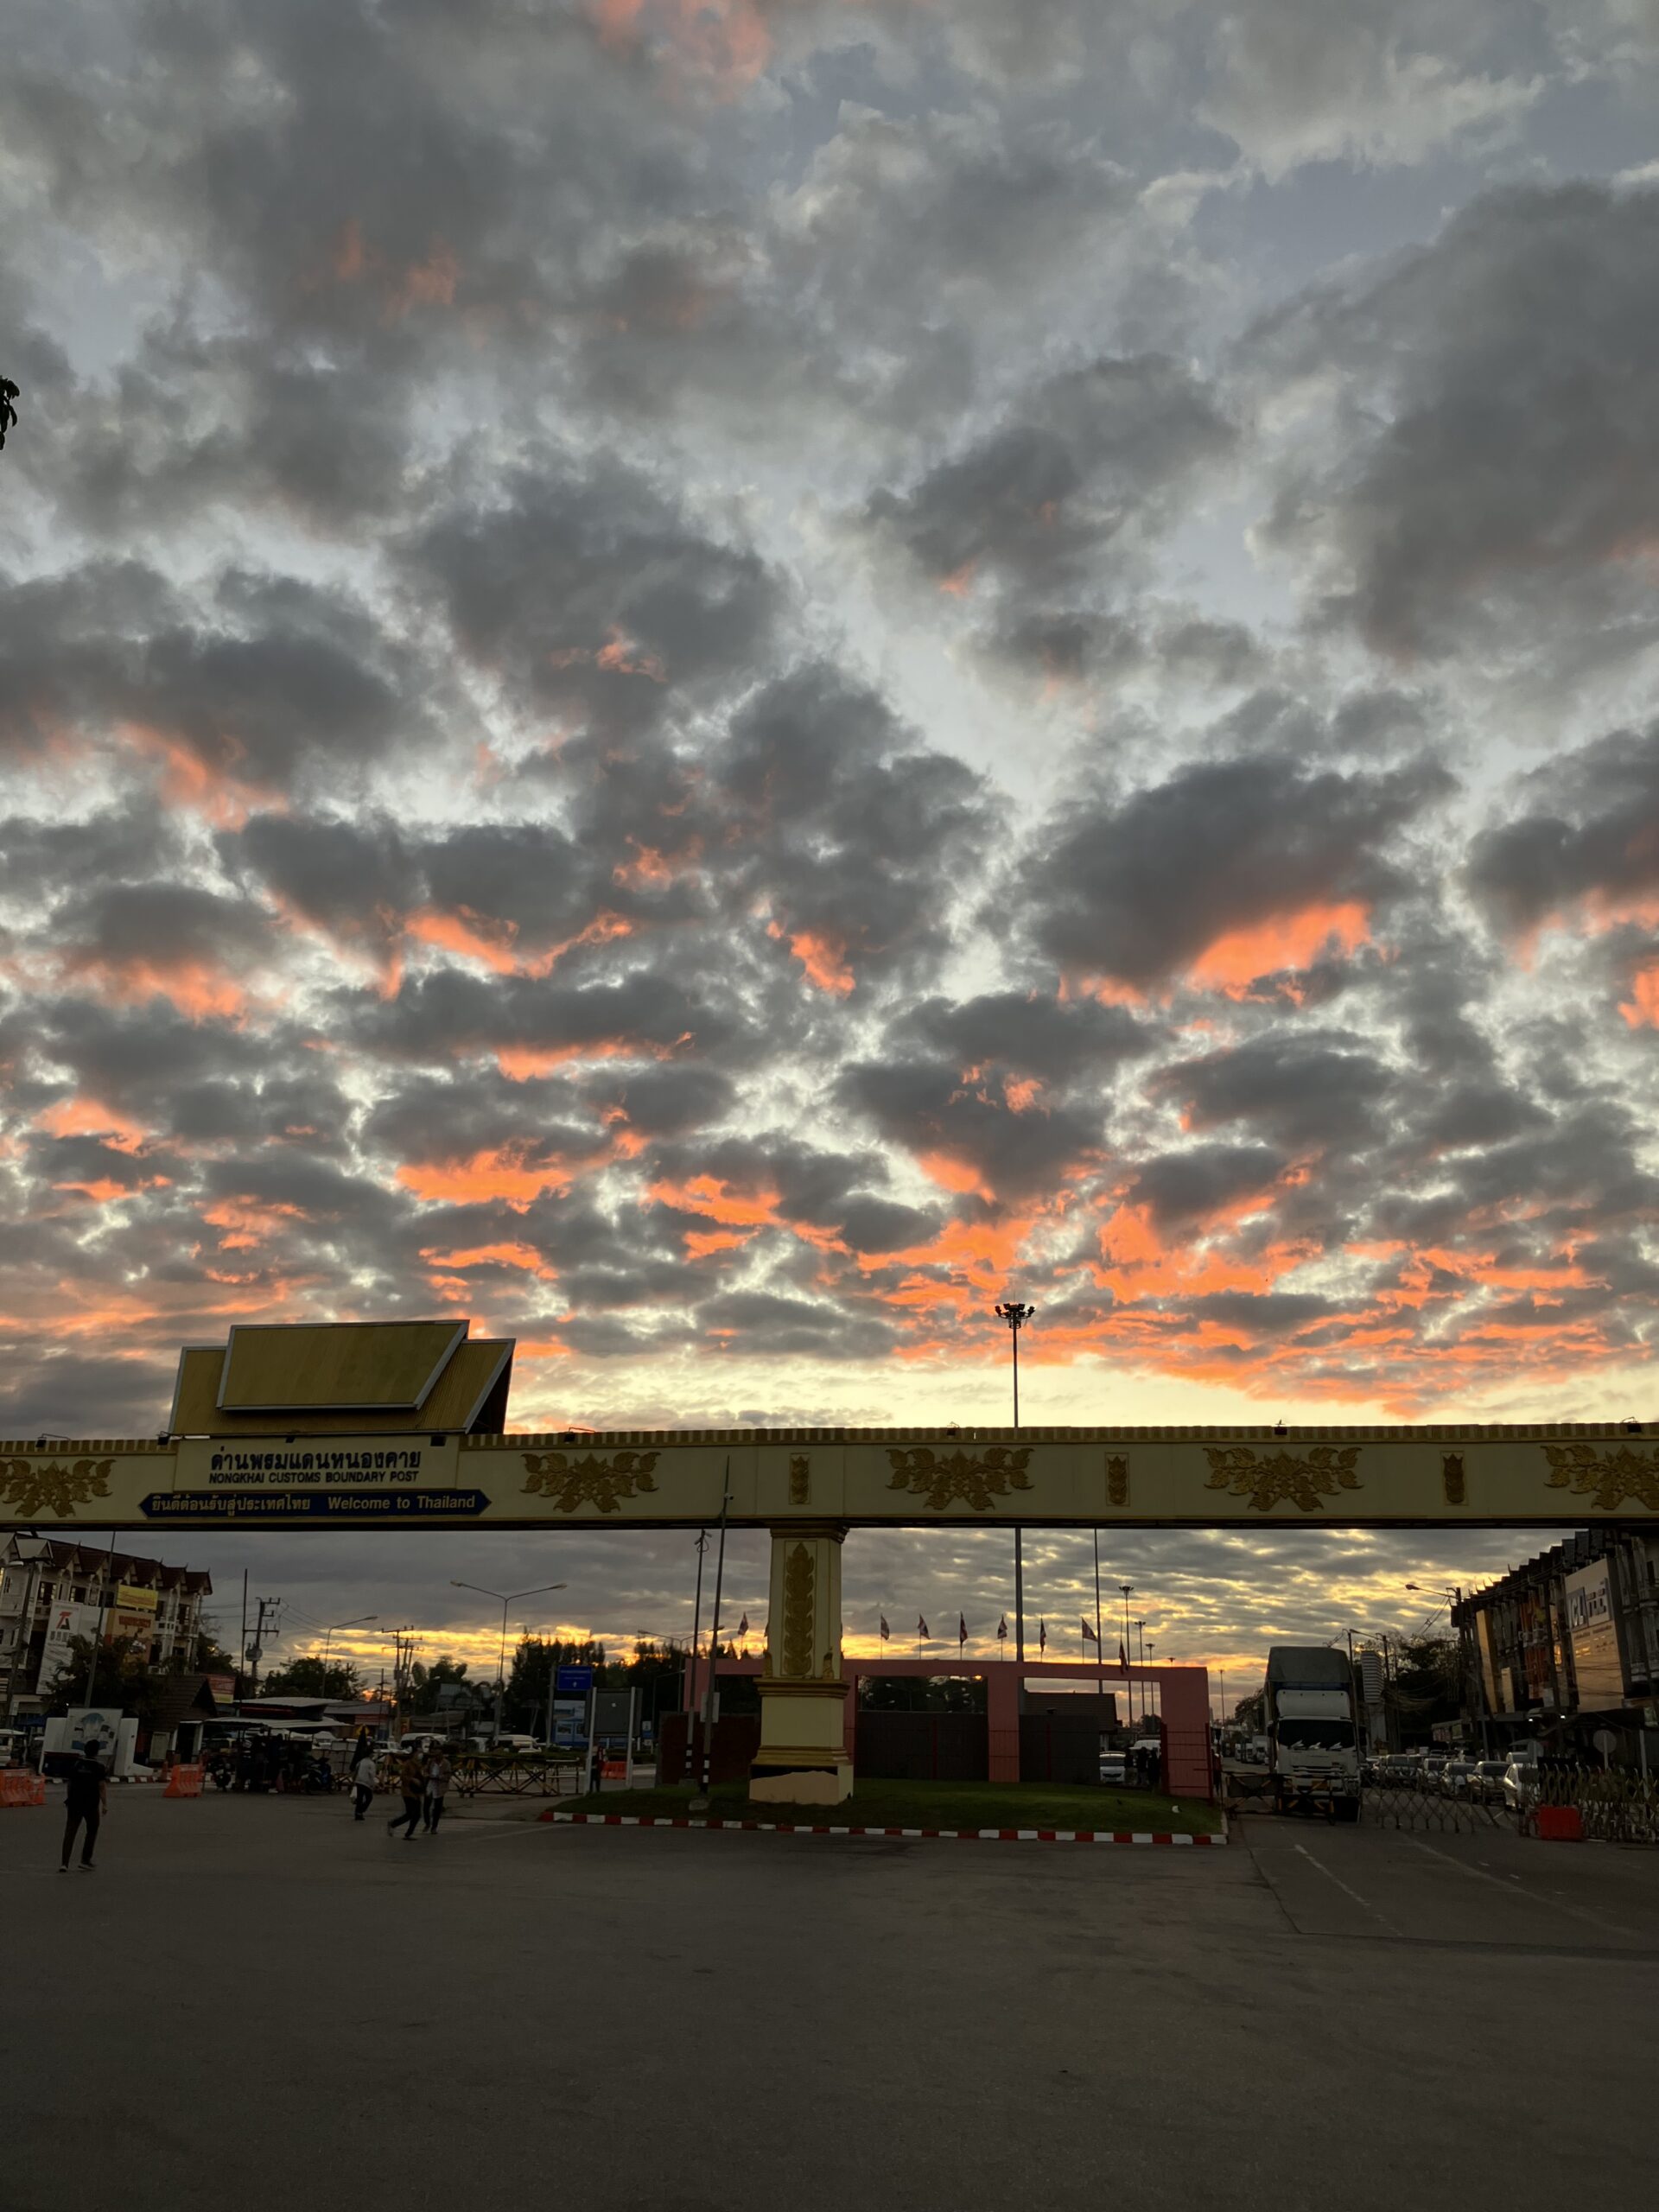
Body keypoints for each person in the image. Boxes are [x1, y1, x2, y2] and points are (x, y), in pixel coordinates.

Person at [60, 1739, 109, 1873]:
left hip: (75, 1803)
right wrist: (105, 1804)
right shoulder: (99, 1767)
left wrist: (69, 1798)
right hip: (91, 1804)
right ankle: (85, 1860)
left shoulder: (77, 1764)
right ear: (97, 1751)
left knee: (70, 1832)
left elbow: (70, 1783)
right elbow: (102, 1787)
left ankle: (64, 1863)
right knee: (92, 1830)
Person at [386, 1749, 424, 1840]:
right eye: (418, 1753)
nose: (420, 1755)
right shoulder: (408, 1764)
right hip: (408, 1792)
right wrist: (412, 1779)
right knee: (410, 1813)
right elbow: (403, 1776)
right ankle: (393, 1824)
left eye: (421, 1753)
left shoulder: (419, 1765)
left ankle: (409, 1834)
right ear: (414, 1754)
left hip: (417, 1793)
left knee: (417, 1814)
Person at [422, 1748, 452, 1834]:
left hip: (440, 1786)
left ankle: (434, 1827)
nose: (436, 1757)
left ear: (442, 1755)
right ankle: (427, 1823)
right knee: (426, 1806)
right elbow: (425, 1771)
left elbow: (448, 1774)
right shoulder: (431, 1762)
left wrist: (442, 1777)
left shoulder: (446, 1763)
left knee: (437, 1808)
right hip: (431, 1785)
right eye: (435, 1755)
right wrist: (428, 1775)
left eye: (438, 1755)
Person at [351, 1747, 377, 1821]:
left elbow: (356, 1770)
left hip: (358, 1781)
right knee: (369, 1798)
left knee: (360, 1798)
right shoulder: (371, 1764)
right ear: (370, 1754)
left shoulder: (361, 1762)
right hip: (366, 1783)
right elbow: (372, 1775)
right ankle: (360, 1811)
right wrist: (373, 1784)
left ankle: (357, 1814)